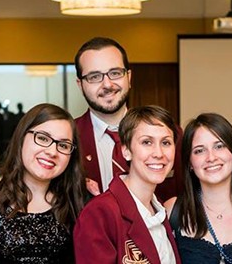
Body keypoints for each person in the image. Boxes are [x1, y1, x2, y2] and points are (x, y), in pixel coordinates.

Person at [73, 37, 182, 200]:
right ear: (80, 85)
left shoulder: (169, 133)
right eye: (95, 77)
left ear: (128, 78)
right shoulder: (67, 139)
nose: (107, 84)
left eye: (115, 73)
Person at [74, 105, 181, 264]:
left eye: (165, 142)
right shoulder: (100, 213)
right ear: (126, 151)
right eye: (146, 142)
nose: (159, 153)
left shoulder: (160, 210)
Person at [0, 103, 85, 263]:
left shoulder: (77, 199)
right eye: (42, 138)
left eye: (63, 145)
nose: (52, 152)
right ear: (21, 137)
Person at [164, 113, 232, 264]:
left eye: (219, 146)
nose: (211, 157)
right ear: (189, 162)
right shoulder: (173, 210)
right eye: (199, 150)